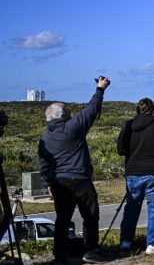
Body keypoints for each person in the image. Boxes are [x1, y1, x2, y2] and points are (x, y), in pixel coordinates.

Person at [38, 77, 110, 264]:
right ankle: (91, 251)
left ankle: (60, 256)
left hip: (59, 182)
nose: (70, 113)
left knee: (62, 219)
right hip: (79, 179)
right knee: (90, 215)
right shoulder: (72, 128)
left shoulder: (44, 137)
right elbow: (91, 110)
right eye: (68, 111)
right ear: (63, 115)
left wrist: (48, 183)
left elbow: (43, 163)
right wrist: (100, 89)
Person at [116, 98, 154, 255]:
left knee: (131, 208)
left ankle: (126, 242)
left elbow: (120, 149)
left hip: (133, 173)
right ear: (152, 109)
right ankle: (153, 244)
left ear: (138, 110)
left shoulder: (128, 126)